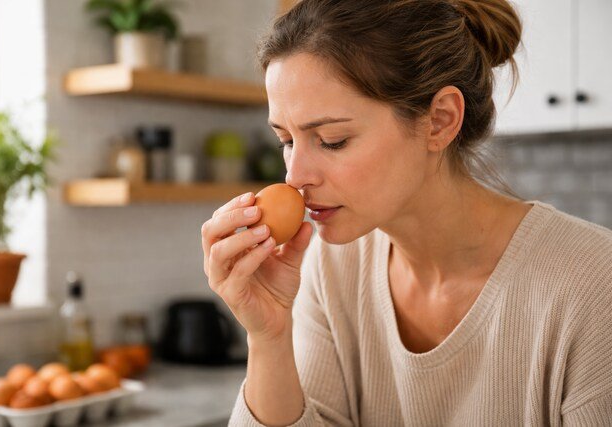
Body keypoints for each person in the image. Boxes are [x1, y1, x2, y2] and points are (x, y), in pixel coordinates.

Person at [200, 0, 612, 425]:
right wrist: (268, 336)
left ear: (439, 121)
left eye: (332, 140)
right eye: (287, 140)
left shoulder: (594, 284)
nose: (294, 177)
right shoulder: (330, 268)